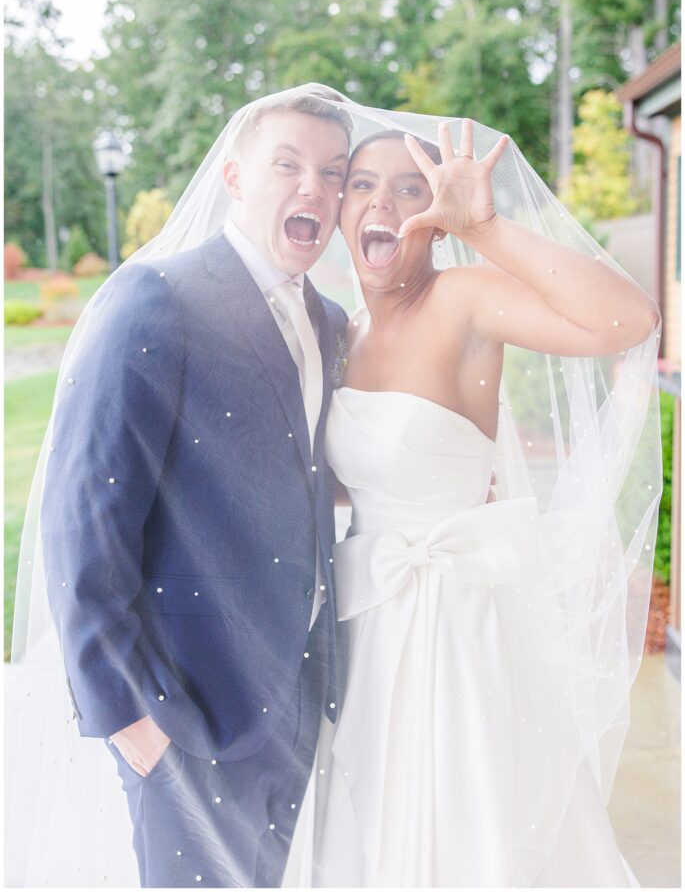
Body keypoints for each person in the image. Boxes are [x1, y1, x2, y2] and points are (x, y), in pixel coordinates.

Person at [284, 123, 661, 887]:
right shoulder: (342, 333)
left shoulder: (461, 298)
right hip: (367, 625)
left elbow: (629, 321)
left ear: (434, 214)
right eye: (362, 185)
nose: (381, 201)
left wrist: (483, 228)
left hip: (457, 629)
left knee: (472, 828)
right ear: (339, 208)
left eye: (408, 188)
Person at [37, 89, 351, 888]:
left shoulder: (328, 321)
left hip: (297, 699)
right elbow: (83, 522)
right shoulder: (157, 300)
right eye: (288, 165)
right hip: (186, 710)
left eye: (333, 173)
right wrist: (130, 721)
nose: (313, 187)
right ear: (236, 176)